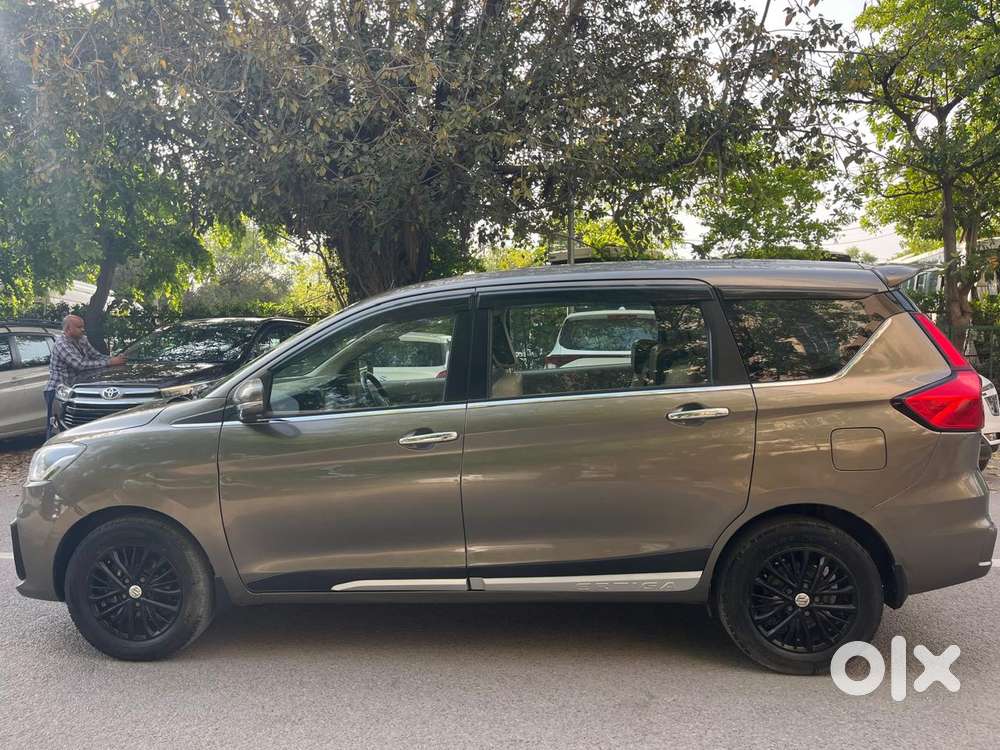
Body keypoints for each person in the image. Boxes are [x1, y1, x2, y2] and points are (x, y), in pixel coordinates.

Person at [44, 315, 126, 438]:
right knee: (58, 427)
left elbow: (97, 356)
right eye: (79, 327)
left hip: (78, 389)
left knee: (81, 426)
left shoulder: (82, 339)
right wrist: (110, 362)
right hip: (58, 390)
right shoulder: (61, 344)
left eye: (83, 326)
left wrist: (114, 359)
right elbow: (80, 365)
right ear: (67, 329)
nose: (83, 329)